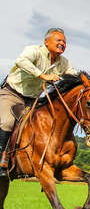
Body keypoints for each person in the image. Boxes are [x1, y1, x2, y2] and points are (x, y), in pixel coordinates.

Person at [0, 28, 78, 179]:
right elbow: (20, 61)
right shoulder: (34, 51)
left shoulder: (63, 63)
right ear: (46, 42)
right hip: (12, 93)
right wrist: (42, 75)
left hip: (32, 100)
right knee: (8, 122)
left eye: (64, 42)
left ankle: (27, 162)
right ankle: (1, 159)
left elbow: (73, 74)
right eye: (58, 40)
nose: (62, 43)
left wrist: (88, 83)